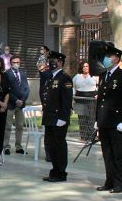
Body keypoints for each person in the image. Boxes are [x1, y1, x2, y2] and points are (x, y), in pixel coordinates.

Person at [94, 42, 122, 194]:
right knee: (107, 154)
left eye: (108, 56)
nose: (105, 59)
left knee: (118, 154)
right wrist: (97, 120)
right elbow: (101, 100)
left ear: (116, 58)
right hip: (105, 121)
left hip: (117, 122)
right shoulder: (104, 75)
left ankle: (119, 183)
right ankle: (109, 181)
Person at [40, 51, 73, 182]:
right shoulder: (50, 77)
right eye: (50, 60)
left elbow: (66, 100)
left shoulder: (64, 78)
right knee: (51, 146)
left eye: (54, 60)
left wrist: (63, 118)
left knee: (59, 146)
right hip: (49, 117)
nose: (51, 63)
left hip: (58, 117)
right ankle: (54, 170)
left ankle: (61, 172)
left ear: (60, 62)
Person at [4, 54, 30, 155]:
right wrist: (15, 100)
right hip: (11, 104)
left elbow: (26, 88)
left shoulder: (23, 74)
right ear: (11, 63)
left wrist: (22, 100)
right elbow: (7, 90)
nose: (16, 64)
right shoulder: (7, 74)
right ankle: (6, 146)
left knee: (20, 126)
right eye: (14, 62)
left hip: (20, 106)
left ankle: (18, 146)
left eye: (18, 62)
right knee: (8, 126)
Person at [73, 61, 98, 141]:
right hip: (80, 99)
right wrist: (73, 95)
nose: (85, 68)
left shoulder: (94, 76)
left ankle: (91, 137)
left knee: (91, 118)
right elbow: (73, 86)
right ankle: (83, 137)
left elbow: (99, 86)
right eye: (84, 66)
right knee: (82, 118)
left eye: (87, 66)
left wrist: (97, 94)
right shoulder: (77, 76)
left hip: (91, 99)